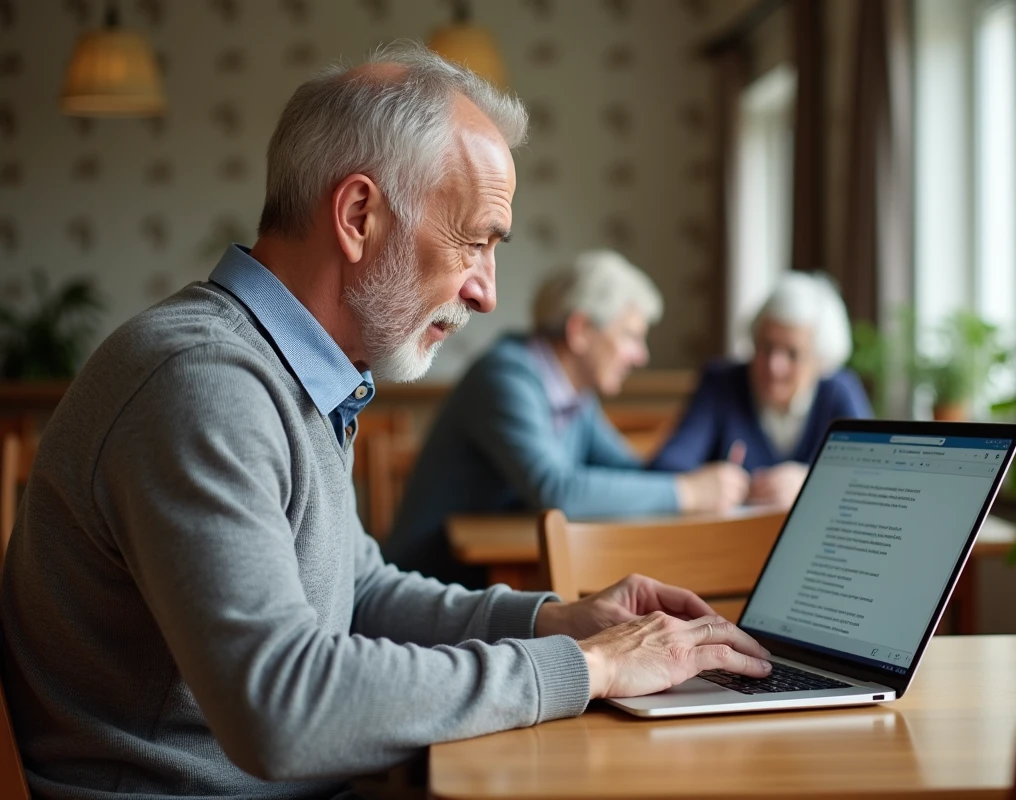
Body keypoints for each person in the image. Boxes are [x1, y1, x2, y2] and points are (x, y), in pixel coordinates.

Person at [0, 44, 772, 800]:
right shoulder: (203, 383)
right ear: (359, 215)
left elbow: (359, 594)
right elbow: (281, 709)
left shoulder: (293, 372)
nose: (486, 293)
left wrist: (558, 622)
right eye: (474, 241)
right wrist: (592, 667)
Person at [384, 250, 749, 587]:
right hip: (424, 589)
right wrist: (689, 491)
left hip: (490, 582)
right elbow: (557, 491)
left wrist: (721, 482)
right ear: (580, 330)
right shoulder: (503, 377)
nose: (640, 356)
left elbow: (629, 470)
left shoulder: (576, 395)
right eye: (630, 337)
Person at [651, 272, 873, 507]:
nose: (774, 366)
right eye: (766, 347)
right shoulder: (720, 384)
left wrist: (813, 484)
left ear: (821, 361)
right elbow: (666, 469)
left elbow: (873, 479)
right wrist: (701, 486)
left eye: (792, 354)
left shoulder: (839, 391)